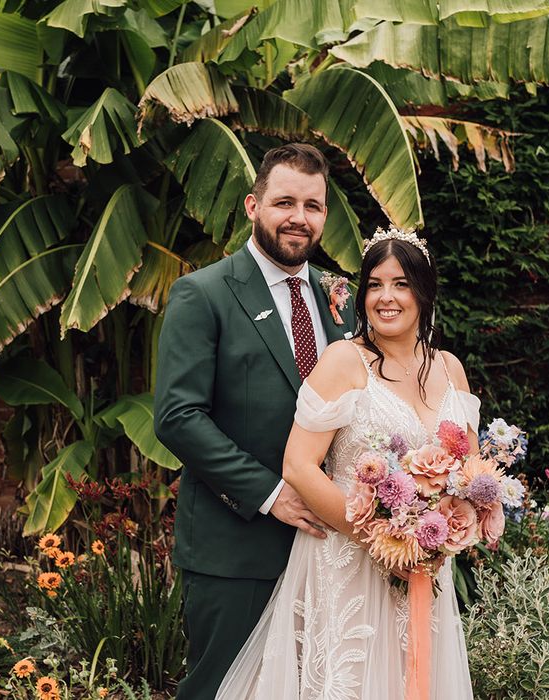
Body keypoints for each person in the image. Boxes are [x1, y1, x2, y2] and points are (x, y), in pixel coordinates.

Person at [215, 228, 479, 698]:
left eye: (400, 283)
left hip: (422, 570)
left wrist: (455, 528)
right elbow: (298, 465)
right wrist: (383, 544)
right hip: (347, 561)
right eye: (375, 284)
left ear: (425, 290)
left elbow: (470, 471)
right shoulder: (343, 360)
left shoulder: (450, 368)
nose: (386, 297)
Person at [154, 143, 357, 699]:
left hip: (330, 551)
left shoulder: (343, 298)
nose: (299, 217)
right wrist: (273, 494)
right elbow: (177, 416)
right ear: (252, 205)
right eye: (284, 201)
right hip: (236, 547)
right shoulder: (204, 294)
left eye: (313, 206)